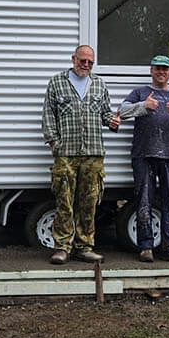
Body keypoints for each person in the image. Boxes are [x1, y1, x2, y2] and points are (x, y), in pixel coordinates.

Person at [117, 55, 169, 262]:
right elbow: (123, 112)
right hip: (143, 156)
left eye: (165, 69)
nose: (161, 72)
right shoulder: (140, 93)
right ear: (151, 70)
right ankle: (146, 247)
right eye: (157, 68)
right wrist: (143, 106)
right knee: (144, 202)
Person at [41, 44, 115, 264]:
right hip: (66, 154)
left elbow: (105, 113)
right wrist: (55, 143)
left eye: (90, 62)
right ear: (73, 59)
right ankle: (62, 247)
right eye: (82, 60)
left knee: (89, 202)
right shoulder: (57, 82)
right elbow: (47, 115)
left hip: (93, 153)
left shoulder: (99, 84)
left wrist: (113, 120)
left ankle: (84, 246)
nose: (86, 65)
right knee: (64, 201)